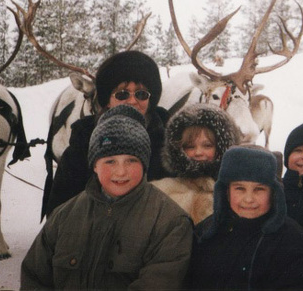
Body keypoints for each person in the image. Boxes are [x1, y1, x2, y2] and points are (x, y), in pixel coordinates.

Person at [21, 105, 193, 290]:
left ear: (144, 164)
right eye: (110, 161)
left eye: (131, 160)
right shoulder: (63, 217)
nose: (120, 171)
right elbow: (34, 278)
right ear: (95, 165)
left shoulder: (170, 223)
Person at [43, 50, 172, 218]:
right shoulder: (84, 141)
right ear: (107, 100)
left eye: (141, 94)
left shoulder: (169, 139)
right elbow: (60, 209)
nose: (133, 101)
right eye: (122, 94)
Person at [186, 145, 303, 290]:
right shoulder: (206, 232)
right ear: (226, 192)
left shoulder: (294, 243)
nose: (248, 199)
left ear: (273, 193)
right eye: (240, 188)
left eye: (259, 189)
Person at [152, 103, 242, 224]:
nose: (198, 152)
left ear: (221, 147)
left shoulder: (239, 190)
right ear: (178, 149)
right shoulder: (161, 192)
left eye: (207, 145)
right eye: (190, 146)